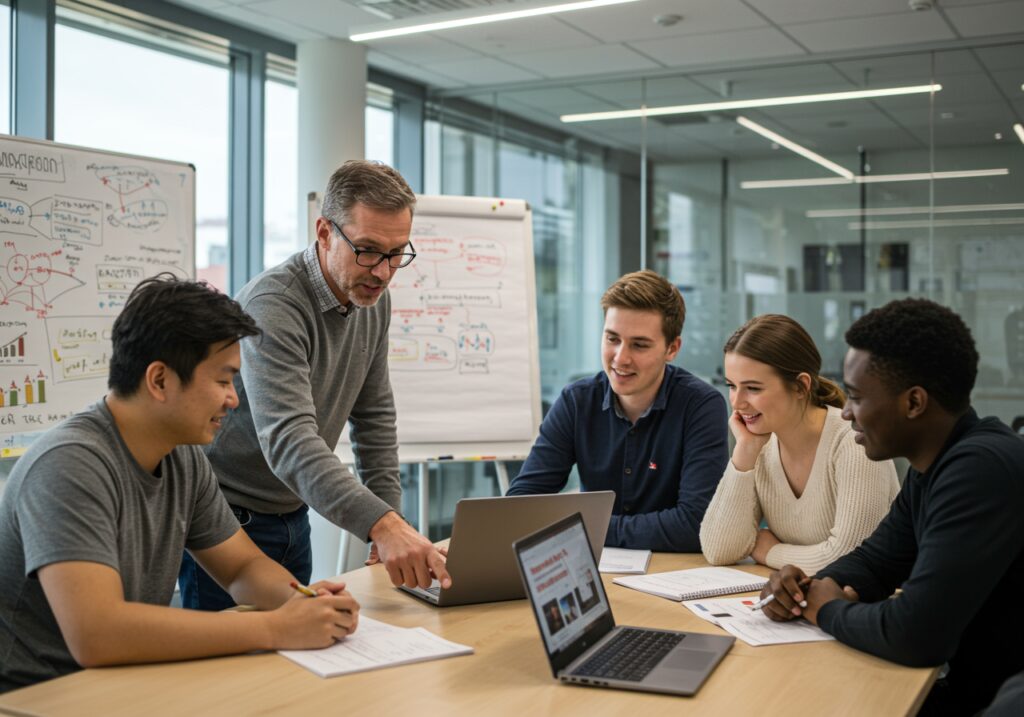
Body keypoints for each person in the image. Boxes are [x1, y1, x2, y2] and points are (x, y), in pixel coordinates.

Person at [0, 277, 360, 693]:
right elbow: (97, 635)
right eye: (223, 380)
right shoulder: (68, 465)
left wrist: (301, 599)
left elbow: (242, 567)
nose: (233, 399)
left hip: (120, 684)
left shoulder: (182, 456)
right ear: (159, 380)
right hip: (39, 697)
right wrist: (276, 628)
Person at [180, 160, 449, 611]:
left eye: (397, 253)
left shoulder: (372, 302)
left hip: (292, 514)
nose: (383, 272)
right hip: (225, 523)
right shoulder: (274, 305)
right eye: (367, 250)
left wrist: (390, 521)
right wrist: (381, 525)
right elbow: (289, 439)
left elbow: (375, 419)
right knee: (225, 673)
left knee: (291, 662)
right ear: (324, 232)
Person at [760, 298, 1024, 716]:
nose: (845, 413)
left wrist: (825, 608)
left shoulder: (978, 471)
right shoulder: (933, 465)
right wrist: (806, 587)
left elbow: (915, 635)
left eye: (857, 397)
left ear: (914, 403)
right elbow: (878, 560)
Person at [507, 270, 728, 551]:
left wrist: (583, 526)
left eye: (639, 345)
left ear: (672, 348)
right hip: (596, 571)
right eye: (612, 339)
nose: (621, 358)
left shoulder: (700, 406)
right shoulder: (576, 401)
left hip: (674, 574)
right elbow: (521, 507)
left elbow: (695, 524)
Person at [700, 315, 899, 574]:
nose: (737, 403)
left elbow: (851, 559)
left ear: (801, 386)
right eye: (732, 386)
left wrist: (769, 551)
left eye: (753, 388)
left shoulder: (854, 441)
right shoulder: (760, 443)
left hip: (877, 606)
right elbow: (718, 551)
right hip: (807, 599)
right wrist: (745, 451)